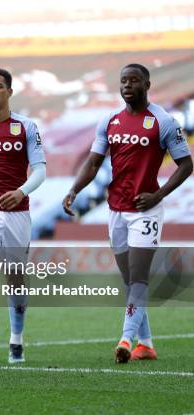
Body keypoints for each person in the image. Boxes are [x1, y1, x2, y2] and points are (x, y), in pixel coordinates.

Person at [63, 63, 192, 363]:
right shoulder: (109, 120)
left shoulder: (163, 121)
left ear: (147, 84)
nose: (127, 85)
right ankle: (145, 344)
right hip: (116, 210)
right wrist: (74, 190)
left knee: (138, 278)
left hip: (145, 211)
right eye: (123, 81)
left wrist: (158, 194)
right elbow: (94, 163)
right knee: (129, 280)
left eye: (134, 80)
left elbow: (186, 165)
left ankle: (125, 339)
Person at [0, 68, 46, 366]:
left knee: (16, 282)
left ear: (9, 92)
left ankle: (16, 338)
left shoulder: (26, 127)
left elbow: (40, 170)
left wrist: (21, 191)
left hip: (17, 213)